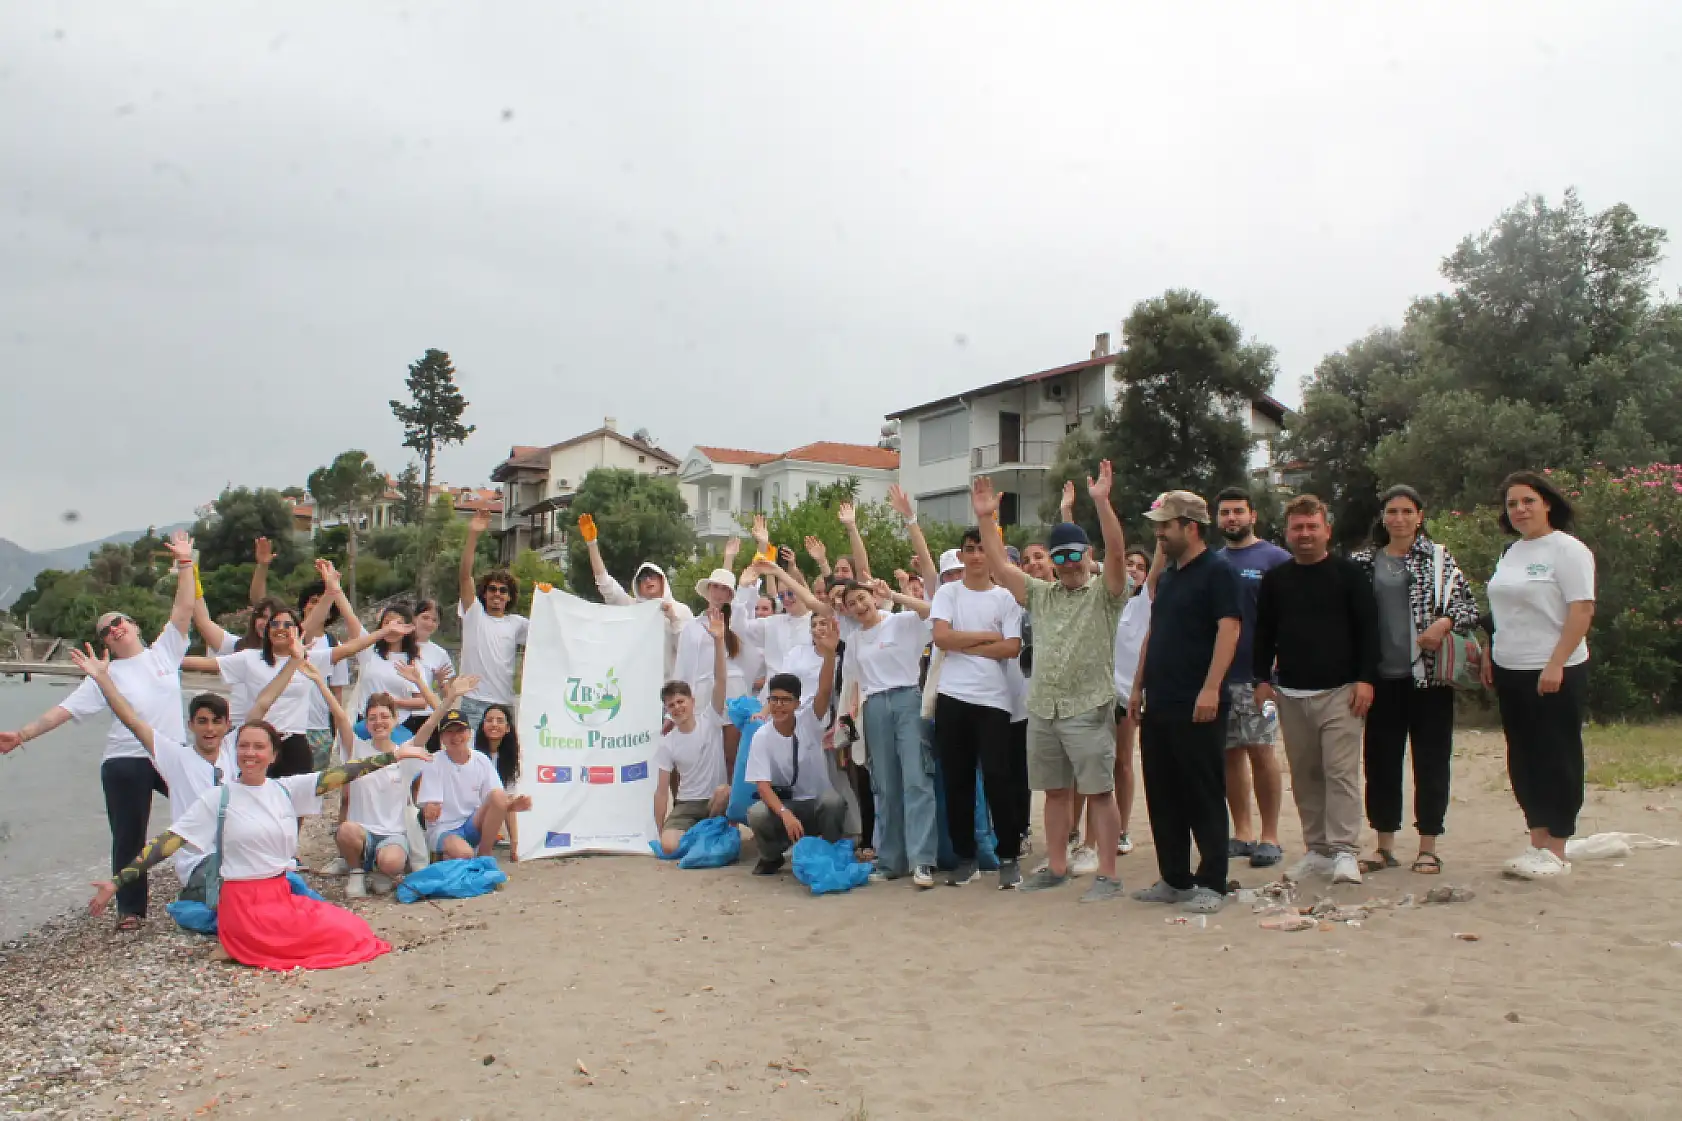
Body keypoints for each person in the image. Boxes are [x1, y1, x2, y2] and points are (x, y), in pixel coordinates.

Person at [87, 708, 430, 971]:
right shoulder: (218, 798)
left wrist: (394, 756)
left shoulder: (284, 789)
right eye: (244, 747)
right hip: (244, 904)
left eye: (258, 747)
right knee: (345, 937)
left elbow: (340, 774)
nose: (250, 753)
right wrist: (117, 883)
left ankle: (238, 944)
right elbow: (167, 842)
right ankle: (236, 942)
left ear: (273, 755)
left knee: (353, 927)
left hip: (281, 894)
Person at [0, 530, 198, 929]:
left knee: (205, 807)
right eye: (106, 630)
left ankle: (211, 880)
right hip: (124, 760)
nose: (113, 629)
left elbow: (183, 608)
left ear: (135, 625)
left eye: (118, 622)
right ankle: (130, 911)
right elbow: (61, 712)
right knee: (128, 836)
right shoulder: (102, 677)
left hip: (170, 753)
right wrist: (21, 734)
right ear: (104, 642)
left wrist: (185, 564)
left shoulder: (165, 651)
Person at [974, 464, 1130, 901]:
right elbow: (1002, 569)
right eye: (1057, 556)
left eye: (1072, 554)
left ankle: (1108, 874)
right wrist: (988, 519)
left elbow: (1117, 555)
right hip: (1044, 707)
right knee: (1055, 793)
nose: (1066, 563)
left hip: (1088, 705)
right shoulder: (1040, 595)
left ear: (1086, 553)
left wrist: (1101, 502)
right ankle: (1057, 866)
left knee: (1099, 792)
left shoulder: (1106, 593)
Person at [1349, 485, 1480, 874]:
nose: (1399, 518)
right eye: (1392, 511)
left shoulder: (1439, 559)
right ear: (1383, 517)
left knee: (1431, 761)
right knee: (1381, 763)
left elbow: (1468, 605)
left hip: (1429, 678)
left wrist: (1443, 622)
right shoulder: (1363, 562)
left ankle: (1428, 846)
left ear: (1420, 516)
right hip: (1381, 678)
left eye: (1407, 511)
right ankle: (1384, 844)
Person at [1252, 495, 1380, 886]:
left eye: (1312, 526)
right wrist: (1260, 680)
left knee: (1340, 773)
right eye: (1297, 527)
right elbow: (1264, 634)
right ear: (1287, 532)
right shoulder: (1276, 579)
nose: (1305, 534)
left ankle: (1344, 851)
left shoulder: (1349, 573)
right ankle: (1317, 850)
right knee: (1306, 774)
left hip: (1342, 691)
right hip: (1290, 694)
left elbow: (1368, 629)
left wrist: (1365, 679)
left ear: (1327, 529)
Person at [1127, 492, 1242, 914]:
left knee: (1203, 791)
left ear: (1190, 527)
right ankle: (1175, 878)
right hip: (1161, 700)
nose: (1158, 533)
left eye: (1165, 525)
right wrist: (1138, 687)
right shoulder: (1170, 576)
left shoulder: (1218, 572)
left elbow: (1229, 630)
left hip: (1198, 701)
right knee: (1163, 792)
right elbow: (1153, 633)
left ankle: (1213, 880)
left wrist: (1211, 688)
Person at [184, 561, 408, 778]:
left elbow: (350, 648)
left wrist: (383, 631)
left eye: (287, 625)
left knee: (296, 810)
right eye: (275, 624)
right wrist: (163, 659)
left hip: (295, 741)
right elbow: (205, 664)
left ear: (297, 630)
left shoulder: (308, 659)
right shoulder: (249, 658)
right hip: (258, 740)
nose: (280, 629)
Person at [786, 571, 938, 886]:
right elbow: (852, 684)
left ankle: (922, 860)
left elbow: (930, 612)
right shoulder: (854, 639)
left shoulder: (901, 621)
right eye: (851, 603)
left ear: (872, 597)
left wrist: (894, 596)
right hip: (873, 707)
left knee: (916, 780)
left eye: (861, 599)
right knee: (884, 784)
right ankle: (892, 860)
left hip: (907, 698)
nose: (858, 606)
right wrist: (844, 722)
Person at [1481, 471, 1596, 881]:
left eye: (1527, 501)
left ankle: (1559, 846)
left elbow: (1581, 611)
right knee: (1523, 755)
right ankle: (1537, 840)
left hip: (1555, 669)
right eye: (1512, 504)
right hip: (1511, 668)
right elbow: (1504, 612)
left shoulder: (1568, 550)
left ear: (1546, 502)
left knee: (1557, 755)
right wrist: (1491, 654)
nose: (1520, 510)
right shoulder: (1511, 552)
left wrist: (1555, 663)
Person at [66, 644, 234, 905]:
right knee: (237, 898)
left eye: (216, 721)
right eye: (202, 721)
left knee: (285, 887)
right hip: (202, 863)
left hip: (237, 855)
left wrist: (297, 662)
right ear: (190, 725)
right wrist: (102, 678)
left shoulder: (234, 750)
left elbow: (265, 704)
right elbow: (132, 720)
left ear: (227, 725)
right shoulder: (176, 757)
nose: (209, 729)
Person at [931, 530, 1027, 889]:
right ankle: (965, 857)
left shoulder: (1005, 598)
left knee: (1000, 778)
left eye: (981, 549)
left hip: (993, 698)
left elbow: (1012, 647)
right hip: (953, 695)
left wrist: (966, 642)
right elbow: (942, 638)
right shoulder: (948, 592)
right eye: (968, 550)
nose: (974, 556)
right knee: (957, 781)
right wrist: (987, 637)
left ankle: (1008, 856)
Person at [1212, 486, 1293, 870]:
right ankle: (1242, 832)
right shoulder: (1213, 562)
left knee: (1262, 753)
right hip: (1221, 677)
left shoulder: (1275, 559)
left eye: (1238, 512)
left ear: (1253, 515)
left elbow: (1291, 617)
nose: (1232, 519)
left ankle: (1270, 835)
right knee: (1230, 755)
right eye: (1225, 512)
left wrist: (1276, 669)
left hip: (1260, 677)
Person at [745, 626, 846, 873]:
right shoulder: (762, 736)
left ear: (797, 703)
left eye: (785, 700)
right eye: (774, 700)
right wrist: (784, 813)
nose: (779, 706)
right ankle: (771, 856)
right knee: (756, 813)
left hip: (814, 805)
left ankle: (829, 851)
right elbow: (762, 785)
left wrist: (830, 655)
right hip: (786, 807)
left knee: (833, 801)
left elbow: (823, 690)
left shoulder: (810, 721)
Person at [654, 610, 733, 854]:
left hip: (714, 801)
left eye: (681, 701)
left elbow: (721, 680)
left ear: (692, 700)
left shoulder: (710, 718)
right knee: (669, 845)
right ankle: (705, 835)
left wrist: (719, 641)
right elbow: (661, 792)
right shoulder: (668, 743)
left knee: (724, 792)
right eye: (672, 705)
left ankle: (710, 831)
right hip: (687, 804)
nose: (678, 708)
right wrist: (660, 830)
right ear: (668, 709)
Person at [416, 704, 532, 862]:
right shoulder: (434, 761)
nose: (455, 736)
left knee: (498, 795)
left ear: (469, 733)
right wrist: (429, 809)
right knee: (464, 854)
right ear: (442, 737)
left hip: (472, 823)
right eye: (449, 731)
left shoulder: (481, 759)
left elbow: (497, 799)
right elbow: (429, 808)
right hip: (444, 829)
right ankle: (455, 856)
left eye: (460, 731)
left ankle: (485, 854)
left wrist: (513, 805)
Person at [585, 514, 693, 678]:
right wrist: (592, 544)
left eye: (652, 575)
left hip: (670, 691)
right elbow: (605, 583)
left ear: (662, 578)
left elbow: (689, 652)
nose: (648, 580)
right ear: (637, 586)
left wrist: (674, 620)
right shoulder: (632, 608)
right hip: (636, 688)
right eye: (642, 578)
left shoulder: (681, 610)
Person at [457, 511, 530, 731]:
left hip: (504, 704)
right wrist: (473, 535)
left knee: (502, 763)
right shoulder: (474, 614)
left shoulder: (517, 623)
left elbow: (550, 631)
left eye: (503, 590)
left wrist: (548, 597)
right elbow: (464, 576)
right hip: (473, 703)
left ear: (509, 596)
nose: (497, 594)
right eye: (492, 589)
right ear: (484, 593)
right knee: (470, 761)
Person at [1108, 545, 1158, 858]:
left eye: (1140, 566)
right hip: (1096, 692)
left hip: (1127, 693)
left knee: (1122, 762)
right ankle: (1085, 833)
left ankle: (1122, 829)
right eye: (1128, 563)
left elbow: (1158, 565)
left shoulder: (1144, 603)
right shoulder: (1104, 599)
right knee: (1087, 766)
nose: (1133, 569)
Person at [352, 603, 431, 720]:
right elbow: (350, 618)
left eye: (398, 623)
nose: (392, 628)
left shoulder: (412, 662)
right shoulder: (369, 651)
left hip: (398, 725)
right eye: (387, 623)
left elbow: (423, 702)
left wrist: (393, 702)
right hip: (366, 723)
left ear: (408, 628)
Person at [473, 702, 524, 854]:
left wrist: (514, 843)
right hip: (468, 815)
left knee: (504, 798)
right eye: (489, 720)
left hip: (489, 815)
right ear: (482, 725)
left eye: (500, 721)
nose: (494, 725)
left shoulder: (509, 759)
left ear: (508, 728)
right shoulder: (471, 752)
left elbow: (508, 801)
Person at [407, 598, 457, 734]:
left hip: (427, 716)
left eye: (434, 620)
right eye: (425, 617)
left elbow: (449, 696)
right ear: (414, 618)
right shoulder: (399, 644)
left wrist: (441, 682)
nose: (429, 623)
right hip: (399, 714)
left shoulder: (440, 653)